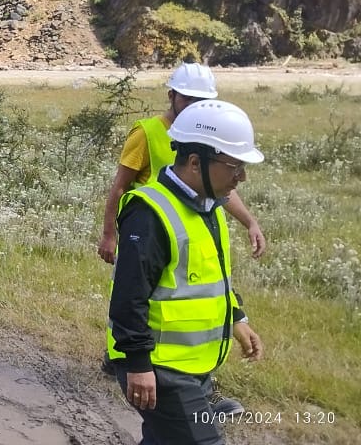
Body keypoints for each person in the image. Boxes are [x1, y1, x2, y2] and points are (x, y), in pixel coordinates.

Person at [107, 100, 265, 445]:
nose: (241, 177)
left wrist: (236, 318)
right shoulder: (150, 213)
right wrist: (139, 365)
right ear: (195, 162)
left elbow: (210, 279)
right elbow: (128, 298)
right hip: (160, 367)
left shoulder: (210, 207)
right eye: (235, 166)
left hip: (191, 365)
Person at [98, 63, 266, 264]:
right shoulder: (146, 133)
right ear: (171, 96)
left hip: (190, 234)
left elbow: (218, 185)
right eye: (187, 98)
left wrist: (250, 223)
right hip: (151, 230)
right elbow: (120, 186)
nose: (194, 105)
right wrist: (109, 234)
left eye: (201, 100)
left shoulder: (206, 135)